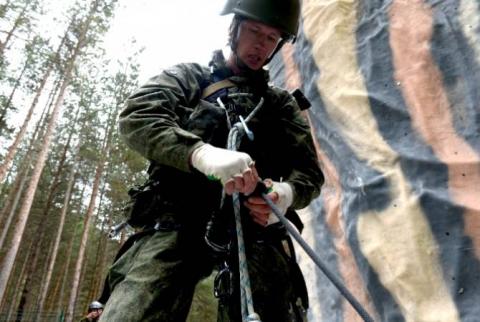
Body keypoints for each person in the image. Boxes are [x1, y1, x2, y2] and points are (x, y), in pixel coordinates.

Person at [99, 0, 324, 321]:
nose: (261, 44)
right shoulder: (189, 79)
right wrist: (201, 155)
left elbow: (310, 174)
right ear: (234, 28)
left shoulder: (281, 105)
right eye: (254, 31)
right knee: (132, 309)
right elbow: (139, 116)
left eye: (272, 38)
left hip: (256, 231)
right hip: (176, 220)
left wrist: (283, 197)